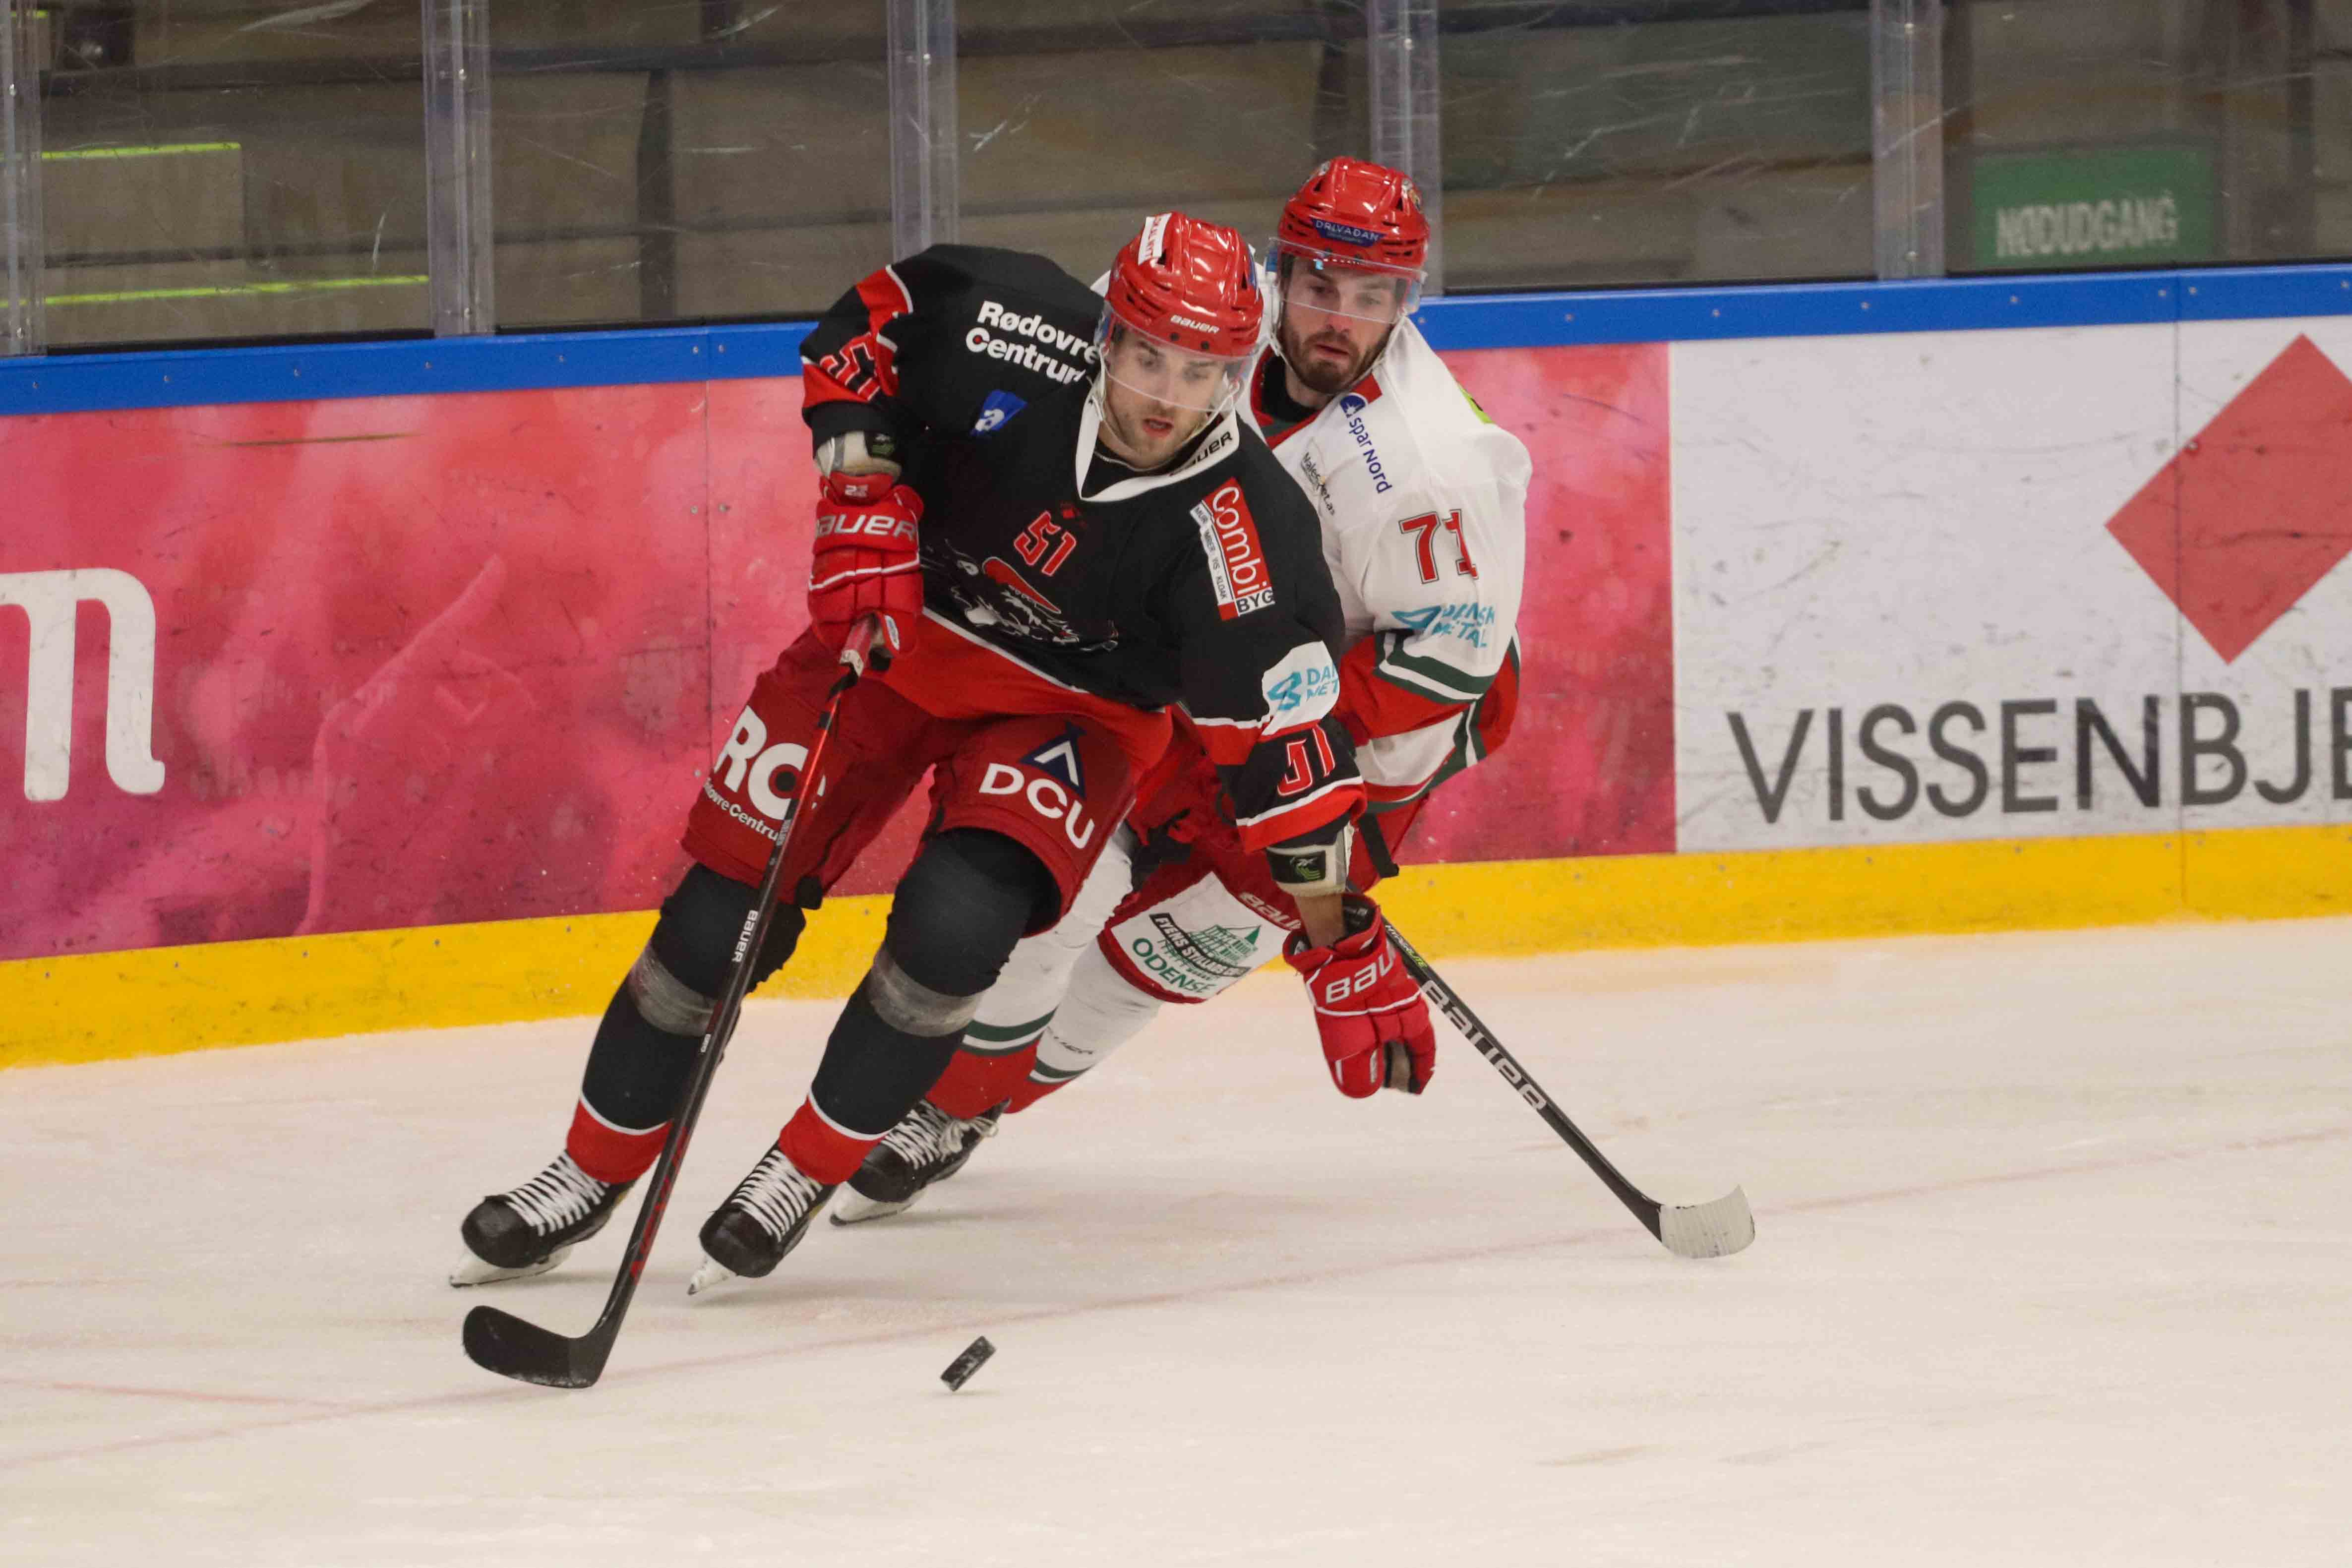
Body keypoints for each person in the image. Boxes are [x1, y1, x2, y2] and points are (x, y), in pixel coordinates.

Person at [451, 210, 1438, 1293]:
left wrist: (1335, 937)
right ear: (1106, 331)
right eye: (1149, 356)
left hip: (1075, 716)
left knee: (954, 928)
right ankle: (586, 1170)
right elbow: (866, 327)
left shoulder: (1253, 532)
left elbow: (1284, 763)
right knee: (712, 920)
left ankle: (802, 1168)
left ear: (1234, 373)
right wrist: (861, 486)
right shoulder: (1005, 323)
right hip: (897, 639)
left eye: (1201, 372)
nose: (1167, 396)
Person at [829, 157, 1532, 1224]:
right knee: (1054, 903)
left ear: (1408, 300)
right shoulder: (1204, 325)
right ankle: (948, 1101)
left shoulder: (1430, 465)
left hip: (1359, 734)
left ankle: (983, 1102)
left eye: (1373, 295)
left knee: (1157, 961)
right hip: (1185, 681)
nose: (1339, 320)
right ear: (1282, 267)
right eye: (1320, 285)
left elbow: (1444, 672)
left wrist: (1296, 799)